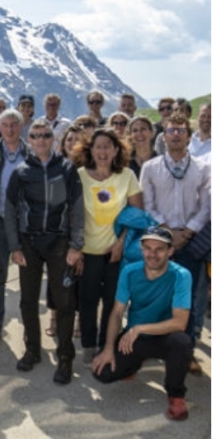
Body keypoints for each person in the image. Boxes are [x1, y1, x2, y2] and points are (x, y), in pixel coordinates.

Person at [6, 118, 84, 384]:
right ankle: (32, 350)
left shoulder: (67, 168)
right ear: (30, 140)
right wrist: (14, 246)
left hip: (59, 241)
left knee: (64, 302)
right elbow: (10, 211)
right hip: (29, 242)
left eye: (45, 135)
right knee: (28, 300)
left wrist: (76, 244)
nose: (40, 140)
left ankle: (65, 358)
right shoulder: (20, 171)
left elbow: (77, 207)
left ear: (53, 139)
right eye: (36, 135)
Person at [91, 226, 195, 421]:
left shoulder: (181, 275)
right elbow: (116, 313)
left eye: (159, 249)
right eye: (148, 248)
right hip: (135, 339)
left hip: (165, 337)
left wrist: (140, 328)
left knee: (182, 342)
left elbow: (180, 323)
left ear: (170, 251)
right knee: (102, 373)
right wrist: (108, 349)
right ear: (141, 249)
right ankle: (133, 365)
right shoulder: (130, 272)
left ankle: (176, 395)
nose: (152, 254)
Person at [72, 128, 143, 365]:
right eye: (98, 146)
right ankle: (89, 345)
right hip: (88, 251)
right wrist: (77, 248)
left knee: (113, 300)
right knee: (87, 300)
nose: (102, 151)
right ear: (90, 150)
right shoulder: (79, 175)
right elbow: (72, 214)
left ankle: (107, 343)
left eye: (107, 146)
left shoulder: (127, 176)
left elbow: (136, 214)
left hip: (117, 251)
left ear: (116, 150)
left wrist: (122, 242)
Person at [139, 113, 210, 347]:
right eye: (171, 130)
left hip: (191, 241)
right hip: (159, 241)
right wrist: (169, 233)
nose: (176, 135)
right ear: (164, 136)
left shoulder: (203, 168)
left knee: (187, 297)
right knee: (156, 294)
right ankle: (150, 345)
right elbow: (148, 206)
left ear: (189, 137)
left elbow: (207, 205)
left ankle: (185, 347)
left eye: (181, 130)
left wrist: (187, 232)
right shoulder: (150, 168)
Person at [0, 108, 29, 349]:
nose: (10, 129)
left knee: (28, 278)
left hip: (27, 225)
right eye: (5, 125)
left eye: (14, 124)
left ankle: (30, 329)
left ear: (21, 127)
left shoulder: (31, 152)